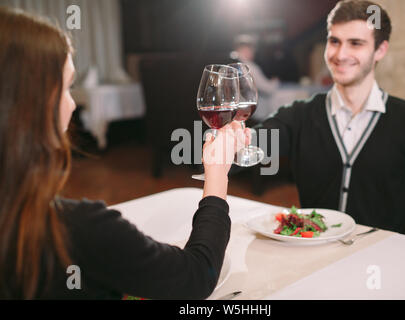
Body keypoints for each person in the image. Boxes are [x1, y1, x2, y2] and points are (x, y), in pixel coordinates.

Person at [0, 7, 247, 299]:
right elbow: (195, 278)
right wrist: (217, 174)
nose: (72, 104)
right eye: (66, 87)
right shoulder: (80, 230)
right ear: (29, 103)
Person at [252, 0, 405, 241]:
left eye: (355, 43)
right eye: (334, 41)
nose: (340, 54)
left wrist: (401, 249)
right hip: (313, 259)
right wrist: (228, 143)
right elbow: (252, 146)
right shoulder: (299, 115)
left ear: (380, 50)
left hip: (383, 265)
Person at [230, 34, 280, 120]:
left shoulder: (231, 66)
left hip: (242, 111)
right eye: (252, 49)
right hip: (258, 113)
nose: (253, 52)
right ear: (245, 49)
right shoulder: (249, 67)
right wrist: (275, 81)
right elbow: (268, 89)